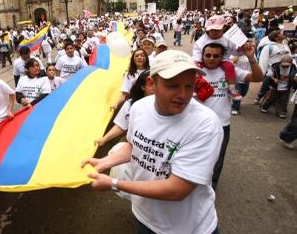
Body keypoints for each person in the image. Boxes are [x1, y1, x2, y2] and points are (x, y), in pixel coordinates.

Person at [82, 50, 223, 234]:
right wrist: (105, 162)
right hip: (144, 218)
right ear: (151, 83)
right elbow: (134, 146)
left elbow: (176, 189)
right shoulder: (139, 108)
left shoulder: (205, 124)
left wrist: (114, 183)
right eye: (173, 86)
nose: (183, 95)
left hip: (188, 228)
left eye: (189, 86)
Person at [200, 42, 263, 190]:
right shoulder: (195, 70)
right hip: (197, 125)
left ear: (222, 57)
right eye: (208, 55)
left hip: (222, 125)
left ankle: (210, 188)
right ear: (202, 55)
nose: (211, 58)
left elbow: (257, 77)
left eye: (216, 56)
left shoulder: (229, 70)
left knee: (218, 158)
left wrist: (251, 58)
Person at [95, 70, 154, 147]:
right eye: (151, 84)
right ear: (143, 87)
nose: (155, 87)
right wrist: (104, 139)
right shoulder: (131, 103)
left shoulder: (168, 107)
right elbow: (121, 125)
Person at [193, 15, 243, 100]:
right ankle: (194, 87)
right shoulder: (202, 40)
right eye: (211, 29)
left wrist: (240, 49)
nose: (214, 32)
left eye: (217, 29)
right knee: (195, 69)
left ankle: (231, 89)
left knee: (230, 66)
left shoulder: (227, 39)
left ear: (223, 28)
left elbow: (236, 51)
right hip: (204, 60)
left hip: (223, 59)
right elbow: (197, 51)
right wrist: (198, 62)